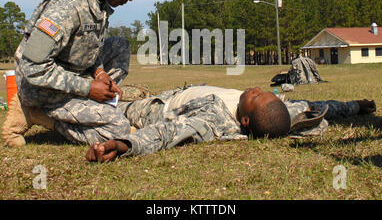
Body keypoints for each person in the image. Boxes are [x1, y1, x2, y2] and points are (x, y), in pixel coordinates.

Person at [2, 0, 150, 148]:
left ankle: (95, 104)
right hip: (40, 89)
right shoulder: (65, 6)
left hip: (72, 76)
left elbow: (88, 47)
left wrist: (99, 73)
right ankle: (35, 113)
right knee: (118, 129)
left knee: (120, 46)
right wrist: (88, 87)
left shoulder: (100, 4)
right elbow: (32, 67)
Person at [85, 85, 376, 162]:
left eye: (255, 97)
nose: (255, 91)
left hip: (159, 107)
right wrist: (358, 106)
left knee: (108, 104)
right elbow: (320, 108)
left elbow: (167, 133)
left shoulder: (214, 122)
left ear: (245, 119)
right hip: (185, 89)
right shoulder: (280, 110)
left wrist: (127, 144)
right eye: (263, 93)